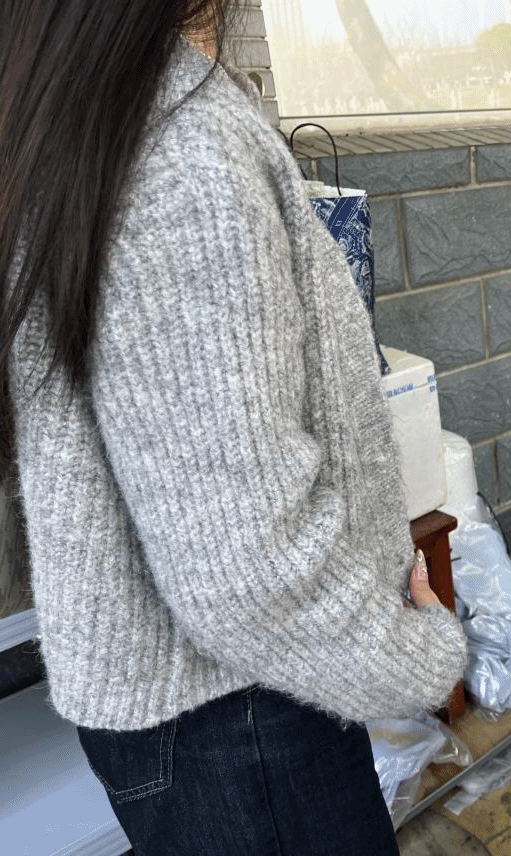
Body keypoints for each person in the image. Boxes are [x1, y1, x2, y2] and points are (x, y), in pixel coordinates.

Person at [0, 2, 467, 853]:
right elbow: (246, 567)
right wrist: (417, 657)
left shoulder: (66, 108)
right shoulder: (179, 140)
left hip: (199, 715)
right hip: (242, 718)